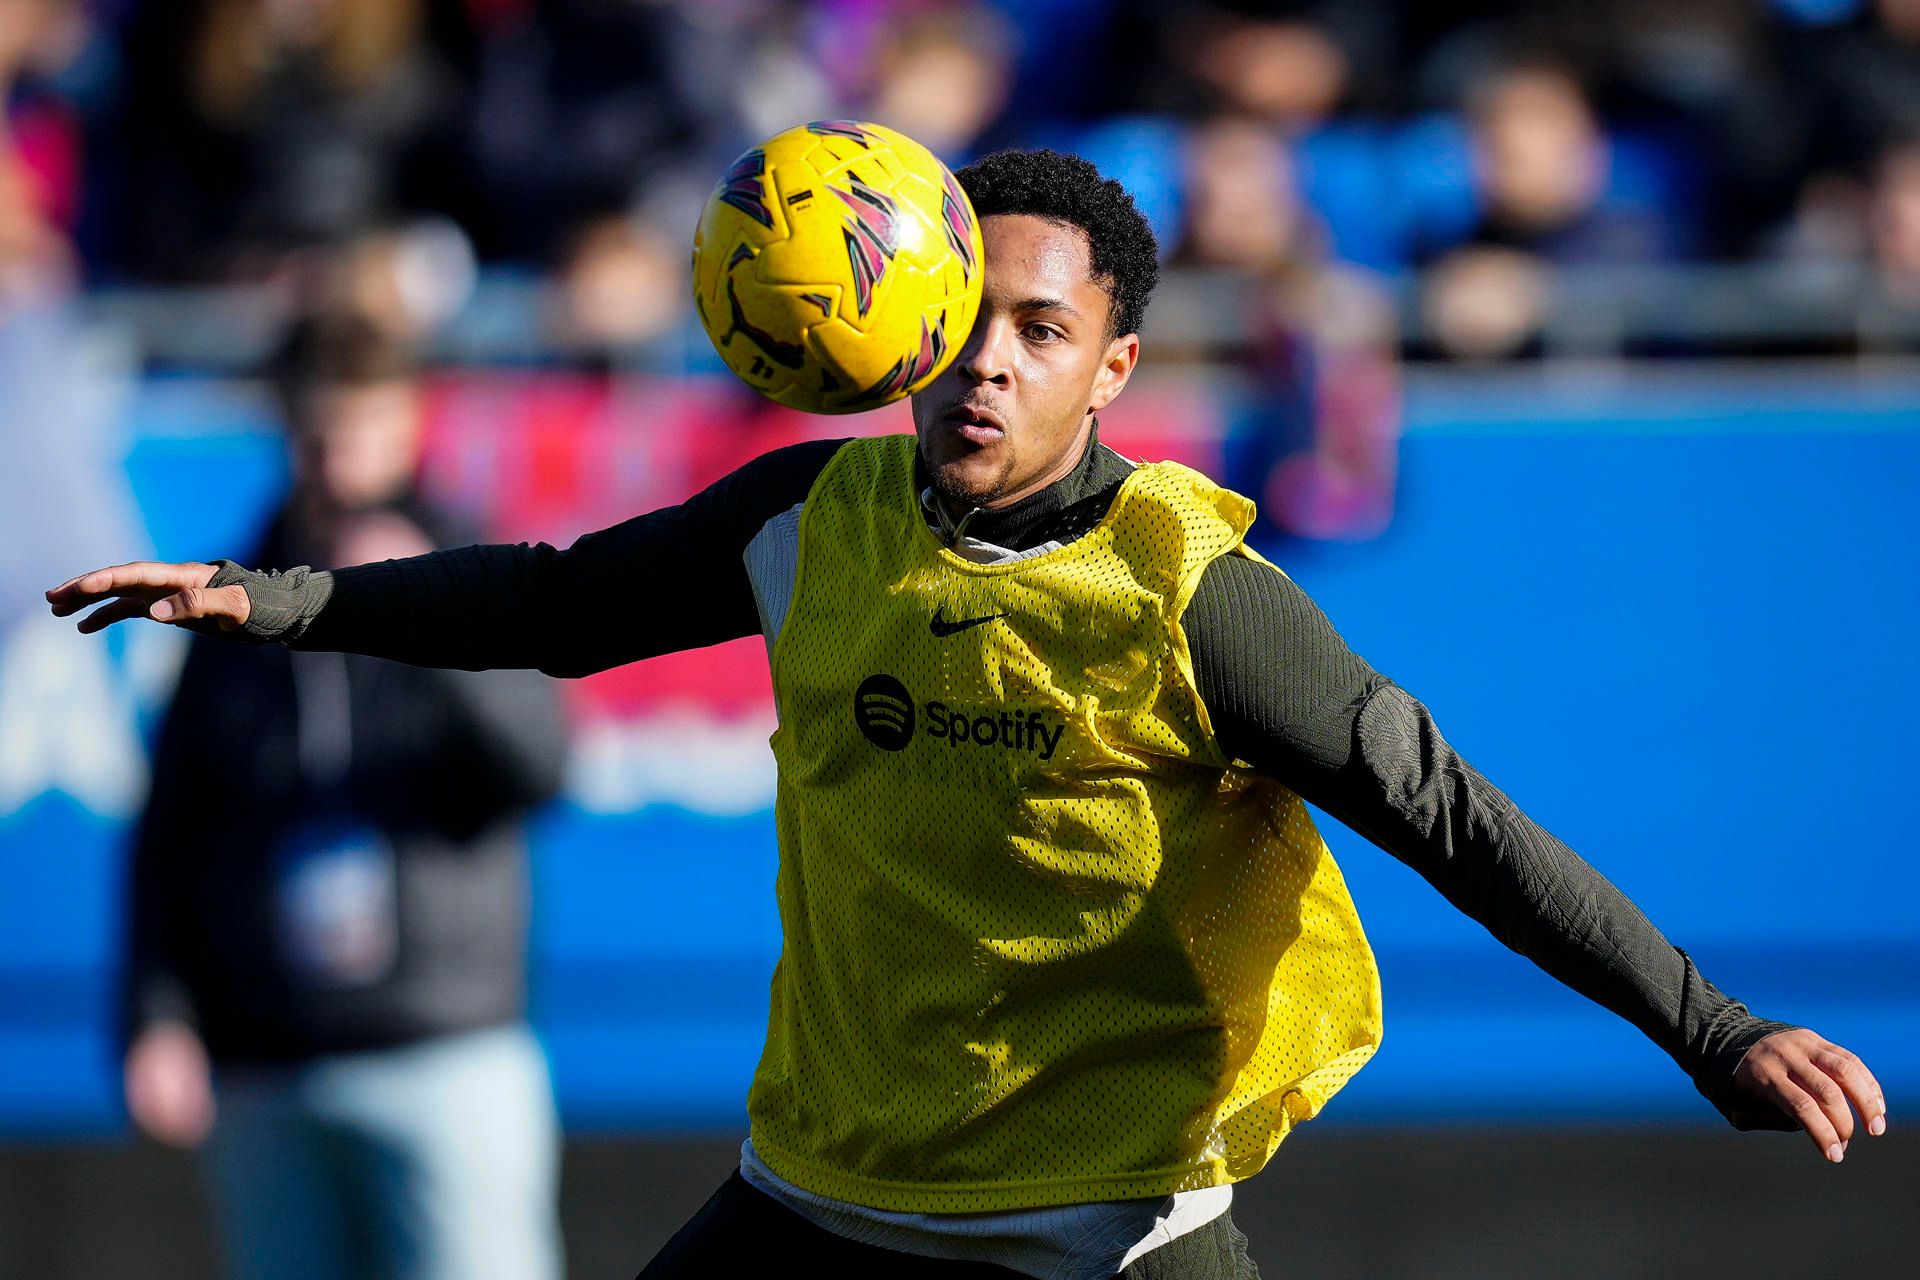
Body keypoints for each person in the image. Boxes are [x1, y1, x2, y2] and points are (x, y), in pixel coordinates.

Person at [52, 150, 1885, 1280]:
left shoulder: (1193, 597)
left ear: (1114, 368)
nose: (984, 360)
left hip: (1102, 1232)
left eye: (1037, 327)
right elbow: (547, 604)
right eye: (962, 315)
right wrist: (271, 597)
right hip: (822, 1205)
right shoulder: (808, 518)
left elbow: (1452, 819)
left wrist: (1714, 1030)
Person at [114, 314, 569, 1280]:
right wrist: (157, 1015)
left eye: (360, 434)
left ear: (409, 428)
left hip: (444, 1046)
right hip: (268, 1059)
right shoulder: (226, 594)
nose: (337, 466)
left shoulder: (475, 573)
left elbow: (541, 766)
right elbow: (174, 828)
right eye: (316, 437)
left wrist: (424, 614)